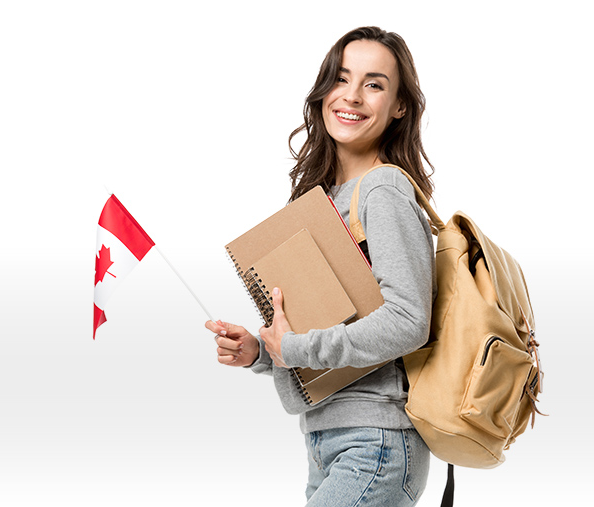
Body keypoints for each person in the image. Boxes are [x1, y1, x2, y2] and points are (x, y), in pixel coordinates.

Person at [205, 26, 436, 507]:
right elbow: (334, 327)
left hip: (375, 443)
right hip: (329, 442)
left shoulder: (382, 190)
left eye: (374, 83)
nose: (351, 95)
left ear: (399, 106)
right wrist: (263, 352)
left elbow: (408, 321)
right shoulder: (329, 200)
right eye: (341, 78)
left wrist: (297, 346)